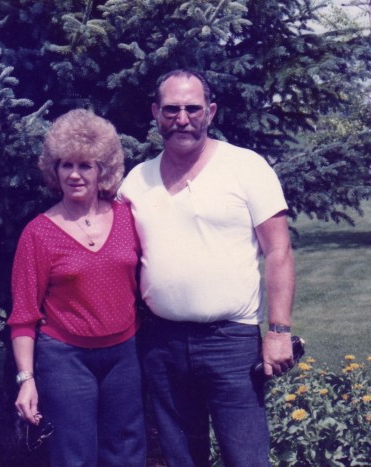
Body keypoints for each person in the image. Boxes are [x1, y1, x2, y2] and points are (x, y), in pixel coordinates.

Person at [119, 69, 296, 466]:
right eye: (171, 109)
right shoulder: (135, 181)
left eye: (192, 108)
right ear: (155, 113)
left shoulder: (246, 167)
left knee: (246, 458)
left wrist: (279, 331)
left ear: (210, 112)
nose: (182, 119)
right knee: (181, 458)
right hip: (161, 344)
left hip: (230, 341)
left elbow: (279, 251)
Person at [7, 109, 146, 466]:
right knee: (73, 456)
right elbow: (23, 316)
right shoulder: (38, 233)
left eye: (85, 165)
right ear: (54, 170)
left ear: (103, 170)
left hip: (124, 354)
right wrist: (26, 379)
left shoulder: (128, 217)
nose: (74, 174)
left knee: (127, 452)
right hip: (66, 359)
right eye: (66, 165)